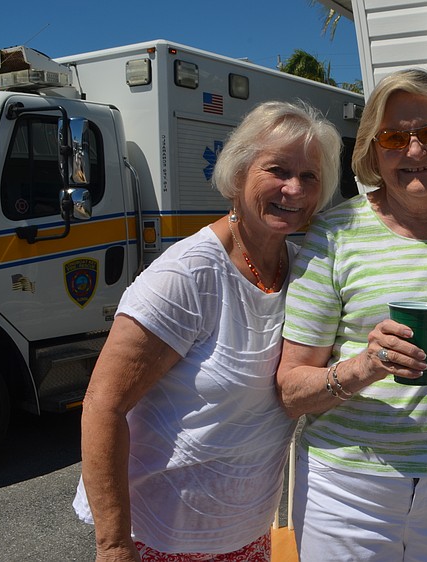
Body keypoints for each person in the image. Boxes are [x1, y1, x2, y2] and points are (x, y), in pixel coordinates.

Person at [72, 100, 342, 562]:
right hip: (159, 537)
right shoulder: (188, 275)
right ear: (238, 175)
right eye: (277, 170)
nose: (294, 189)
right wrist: (113, 545)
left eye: (310, 176)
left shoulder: (303, 271)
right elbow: (103, 405)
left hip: (246, 532)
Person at [275, 68, 427, 561]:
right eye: (395, 137)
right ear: (373, 152)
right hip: (349, 489)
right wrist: (366, 365)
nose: (416, 151)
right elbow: (291, 390)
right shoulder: (333, 235)